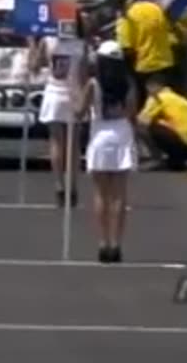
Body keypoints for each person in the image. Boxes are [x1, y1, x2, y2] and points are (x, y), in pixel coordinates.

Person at [75, 41, 137, 263]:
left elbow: (79, 112)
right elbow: (131, 111)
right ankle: (116, 244)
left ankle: (103, 243)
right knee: (119, 195)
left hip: (100, 136)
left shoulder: (93, 84)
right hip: (121, 134)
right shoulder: (127, 84)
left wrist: (76, 93)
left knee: (101, 194)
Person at [29, 28, 90, 206]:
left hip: (54, 93)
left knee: (56, 142)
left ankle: (59, 186)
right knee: (74, 144)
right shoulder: (81, 44)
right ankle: (72, 186)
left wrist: (32, 44)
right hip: (74, 93)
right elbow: (84, 75)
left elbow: (34, 67)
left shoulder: (48, 41)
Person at [116, 0, 176, 96]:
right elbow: (167, 31)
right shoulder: (156, 8)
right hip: (166, 62)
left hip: (144, 66)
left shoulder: (127, 15)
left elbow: (126, 47)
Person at [136, 75, 187, 171]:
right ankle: (176, 160)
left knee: (141, 125)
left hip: (182, 144)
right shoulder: (176, 98)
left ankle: (156, 158)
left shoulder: (157, 97)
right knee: (161, 122)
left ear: (151, 87)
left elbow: (141, 119)